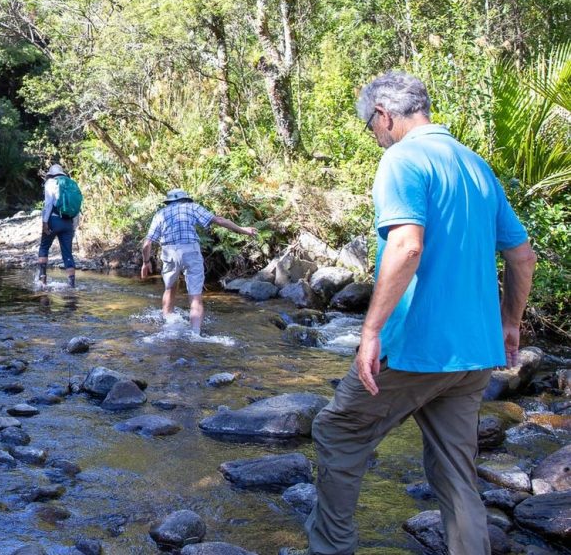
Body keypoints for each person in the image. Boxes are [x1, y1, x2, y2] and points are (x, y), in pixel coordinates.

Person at [280, 71, 536, 555]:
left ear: (384, 115)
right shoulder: (476, 165)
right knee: (456, 471)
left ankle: (330, 548)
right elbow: (522, 256)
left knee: (338, 430)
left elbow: (406, 244)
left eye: (370, 128)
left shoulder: (402, 160)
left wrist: (371, 330)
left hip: (416, 346)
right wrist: (509, 323)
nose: (375, 137)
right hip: (474, 354)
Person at [140, 188, 257, 334]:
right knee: (195, 296)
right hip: (190, 251)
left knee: (170, 288)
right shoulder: (193, 207)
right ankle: (195, 334)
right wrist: (243, 230)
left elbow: (147, 243)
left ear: (169, 201)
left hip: (169, 252)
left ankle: (168, 329)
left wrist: (146, 262)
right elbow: (219, 220)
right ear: (185, 199)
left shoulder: (160, 214)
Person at [37, 163, 81, 288]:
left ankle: (42, 280)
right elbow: (76, 207)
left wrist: (45, 222)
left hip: (53, 221)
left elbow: (48, 204)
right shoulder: (72, 184)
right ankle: (71, 284)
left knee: (44, 247)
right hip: (68, 223)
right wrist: (74, 227)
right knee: (67, 253)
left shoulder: (50, 183)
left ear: (50, 174)